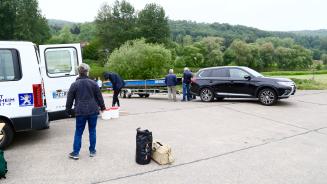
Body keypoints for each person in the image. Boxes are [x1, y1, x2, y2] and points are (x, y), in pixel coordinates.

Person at [66, 63, 106, 160]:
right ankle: (92, 151)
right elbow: (99, 97)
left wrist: (68, 110)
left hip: (80, 111)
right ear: (87, 72)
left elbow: (69, 99)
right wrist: (102, 107)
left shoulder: (74, 84)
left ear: (79, 72)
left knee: (78, 132)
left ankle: (75, 153)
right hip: (93, 110)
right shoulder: (93, 83)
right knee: (92, 130)